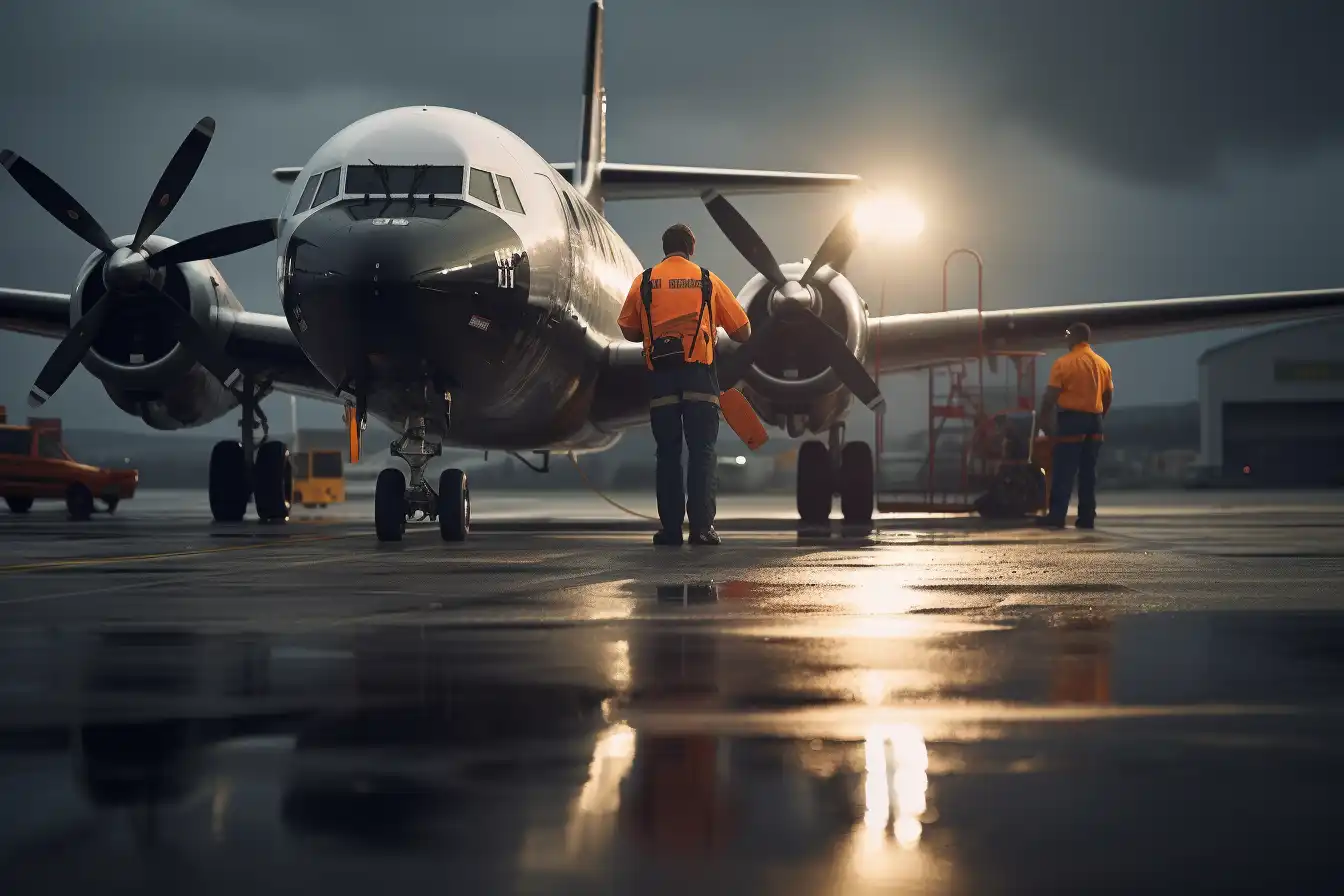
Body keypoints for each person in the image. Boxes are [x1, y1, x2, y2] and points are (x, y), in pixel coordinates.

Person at [618, 224, 752, 546]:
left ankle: (670, 530)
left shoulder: (645, 280)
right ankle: (703, 529)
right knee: (702, 452)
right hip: (699, 379)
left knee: (667, 453)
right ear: (691, 247)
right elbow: (743, 332)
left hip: (661, 378)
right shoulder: (707, 280)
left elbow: (628, 330)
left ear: (664, 248)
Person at [1038, 322, 1113, 529]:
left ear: (1073, 338)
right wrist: (1099, 418)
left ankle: (1056, 516)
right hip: (1095, 421)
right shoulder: (1103, 364)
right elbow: (1107, 396)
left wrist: (1044, 421)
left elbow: (1050, 397)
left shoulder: (1063, 363)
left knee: (1064, 470)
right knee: (1088, 473)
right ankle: (1086, 518)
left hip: (1072, 421)